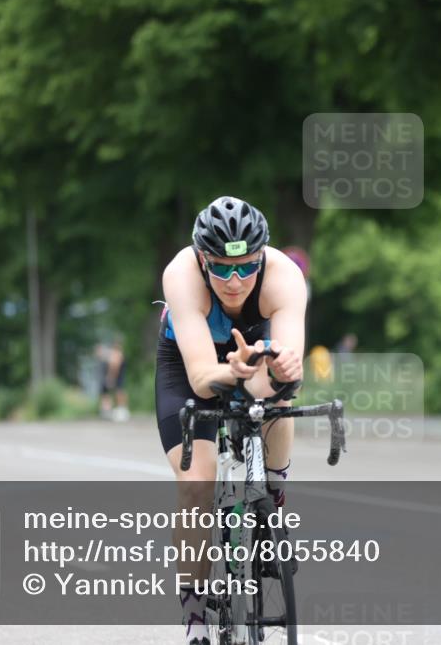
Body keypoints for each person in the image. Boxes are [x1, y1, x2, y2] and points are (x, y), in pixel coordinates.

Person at [155, 196, 306, 645]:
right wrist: (233, 371)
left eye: (246, 267)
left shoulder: (284, 278)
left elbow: (286, 365)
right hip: (188, 365)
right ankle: (195, 615)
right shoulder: (181, 274)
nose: (235, 281)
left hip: (255, 354)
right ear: (204, 260)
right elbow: (203, 380)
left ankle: (272, 500)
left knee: (277, 398)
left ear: (262, 257)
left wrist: (279, 372)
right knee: (195, 485)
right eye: (221, 268)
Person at [97, 337, 128, 422]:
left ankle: (117, 411)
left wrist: (110, 377)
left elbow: (114, 366)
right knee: (117, 391)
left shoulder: (116, 354)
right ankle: (115, 411)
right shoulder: (116, 354)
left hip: (115, 376)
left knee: (117, 392)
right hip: (117, 376)